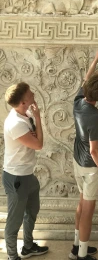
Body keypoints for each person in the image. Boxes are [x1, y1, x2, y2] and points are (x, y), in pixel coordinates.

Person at [69, 46, 98, 260]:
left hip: (77, 162)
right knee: (87, 211)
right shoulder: (94, 116)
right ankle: (82, 255)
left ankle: (76, 247)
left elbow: (86, 79)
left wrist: (96, 58)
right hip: (90, 168)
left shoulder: (77, 103)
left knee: (81, 205)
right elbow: (94, 150)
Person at [2, 82, 48, 260]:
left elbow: (36, 137)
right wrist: (37, 118)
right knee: (14, 221)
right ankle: (12, 256)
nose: (33, 94)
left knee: (32, 211)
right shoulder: (15, 123)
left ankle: (28, 246)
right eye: (30, 94)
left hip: (27, 175)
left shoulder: (25, 114)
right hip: (16, 178)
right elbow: (39, 144)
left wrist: (35, 121)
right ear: (23, 102)